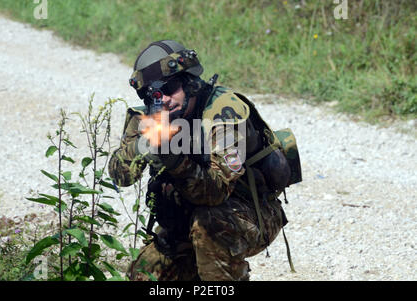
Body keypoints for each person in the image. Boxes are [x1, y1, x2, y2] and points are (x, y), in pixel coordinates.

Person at [108, 40, 301, 281]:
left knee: (209, 226)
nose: (164, 99)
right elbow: (119, 176)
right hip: (184, 217)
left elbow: (215, 193)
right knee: (145, 273)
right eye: (154, 93)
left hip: (250, 212)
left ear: (190, 83)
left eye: (170, 88)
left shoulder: (223, 113)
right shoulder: (150, 115)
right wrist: (144, 144)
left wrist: (172, 157)